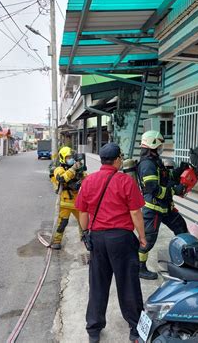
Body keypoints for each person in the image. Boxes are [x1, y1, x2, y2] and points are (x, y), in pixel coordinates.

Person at [75, 143, 147, 343]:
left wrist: (85, 234)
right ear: (117, 160)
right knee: (128, 284)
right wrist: (142, 236)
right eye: (121, 157)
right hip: (121, 239)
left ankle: (94, 329)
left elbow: (82, 212)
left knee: (97, 284)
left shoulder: (88, 181)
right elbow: (135, 212)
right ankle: (135, 328)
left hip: (97, 239)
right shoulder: (125, 180)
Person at [137, 130, 189, 280]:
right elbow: (152, 189)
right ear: (153, 146)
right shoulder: (147, 165)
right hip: (153, 209)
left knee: (181, 229)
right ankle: (140, 268)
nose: (161, 148)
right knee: (147, 240)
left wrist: (180, 170)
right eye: (159, 145)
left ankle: (187, 259)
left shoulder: (155, 161)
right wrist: (174, 190)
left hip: (166, 207)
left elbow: (166, 176)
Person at [50, 146, 86, 249]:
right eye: (68, 157)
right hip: (64, 202)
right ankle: (56, 241)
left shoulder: (76, 168)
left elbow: (86, 178)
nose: (71, 159)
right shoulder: (59, 169)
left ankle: (84, 238)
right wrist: (73, 169)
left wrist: (81, 171)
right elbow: (62, 179)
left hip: (77, 201)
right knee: (62, 223)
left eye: (72, 157)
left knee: (83, 222)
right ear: (63, 158)